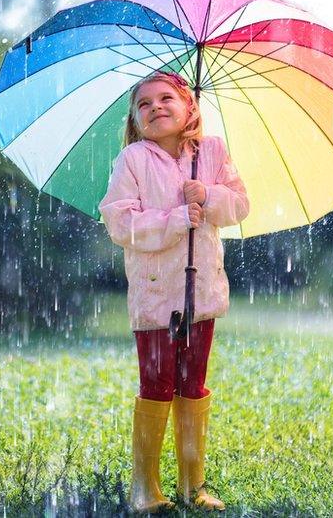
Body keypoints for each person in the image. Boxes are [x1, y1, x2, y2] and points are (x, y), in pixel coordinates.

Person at [99, 71, 250, 513]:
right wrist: (173, 219)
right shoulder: (132, 160)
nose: (156, 107)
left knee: (192, 382)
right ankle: (145, 488)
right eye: (144, 104)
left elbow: (240, 205)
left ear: (190, 107)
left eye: (166, 98)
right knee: (157, 383)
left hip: (200, 294)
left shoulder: (212, 152)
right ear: (135, 118)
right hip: (155, 296)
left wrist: (209, 193)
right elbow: (120, 222)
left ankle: (192, 485)